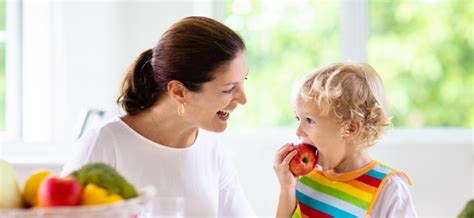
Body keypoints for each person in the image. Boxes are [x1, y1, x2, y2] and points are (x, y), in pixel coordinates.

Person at [61, 16, 255, 217]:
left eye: (243, 82)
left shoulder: (212, 150)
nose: (243, 99)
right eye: (229, 89)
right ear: (179, 91)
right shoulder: (106, 143)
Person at [273, 62, 417, 217]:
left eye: (309, 120)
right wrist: (287, 188)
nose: (298, 130)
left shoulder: (389, 189)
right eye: (297, 118)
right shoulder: (306, 178)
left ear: (350, 128)